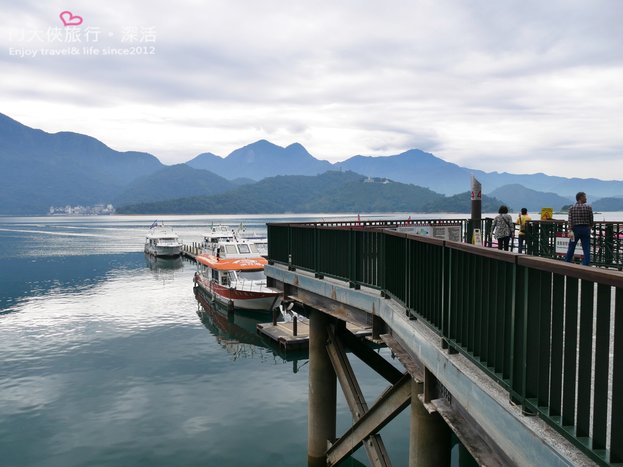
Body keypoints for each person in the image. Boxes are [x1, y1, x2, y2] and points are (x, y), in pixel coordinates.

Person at [565, 192, 593, 265]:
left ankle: (567, 261)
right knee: (586, 247)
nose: (586, 198)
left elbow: (570, 220)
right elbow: (591, 220)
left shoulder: (571, 208)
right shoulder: (588, 207)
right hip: (585, 229)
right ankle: (586, 263)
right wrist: (590, 227)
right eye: (585, 197)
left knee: (571, 246)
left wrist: (570, 230)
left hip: (575, 229)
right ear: (580, 198)